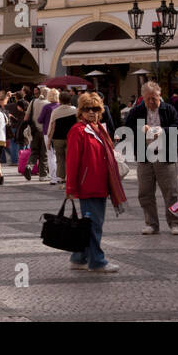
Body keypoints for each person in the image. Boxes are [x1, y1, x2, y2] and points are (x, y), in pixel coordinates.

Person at [64, 92, 127, 273]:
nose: (91, 112)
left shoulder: (99, 128)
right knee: (94, 224)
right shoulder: (78, 130)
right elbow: (73, 161)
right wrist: (71, 187)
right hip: (88, 185)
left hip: (101, 184)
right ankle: (97, 261)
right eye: (87, 109)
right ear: (80, 111)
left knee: (91, 223)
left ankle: (79, 257)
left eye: (95, 109)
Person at [123, 81, 178, 235]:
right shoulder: (136, 111)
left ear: (160, 96)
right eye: (148, 98)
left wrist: (163, 131)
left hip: (165, 154)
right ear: (143, 98)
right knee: (145, 192)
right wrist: (139, 130)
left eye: (154, 98)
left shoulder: (168, 109)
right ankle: (151, 223)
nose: (151, 101)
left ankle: (175, 223)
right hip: (145, 156)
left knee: (171, 192)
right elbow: (126, 131)